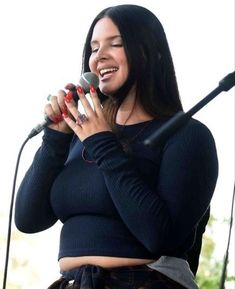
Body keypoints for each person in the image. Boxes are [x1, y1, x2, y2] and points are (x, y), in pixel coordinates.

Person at [14, 4, 218, 289]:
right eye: (94, 48)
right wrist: (55, 140)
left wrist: (103, 144)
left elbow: (159, 236)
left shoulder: (188, 136)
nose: (99, 56)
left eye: (116, 44)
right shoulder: (79, 136)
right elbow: (28, 219)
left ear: (151, 52)